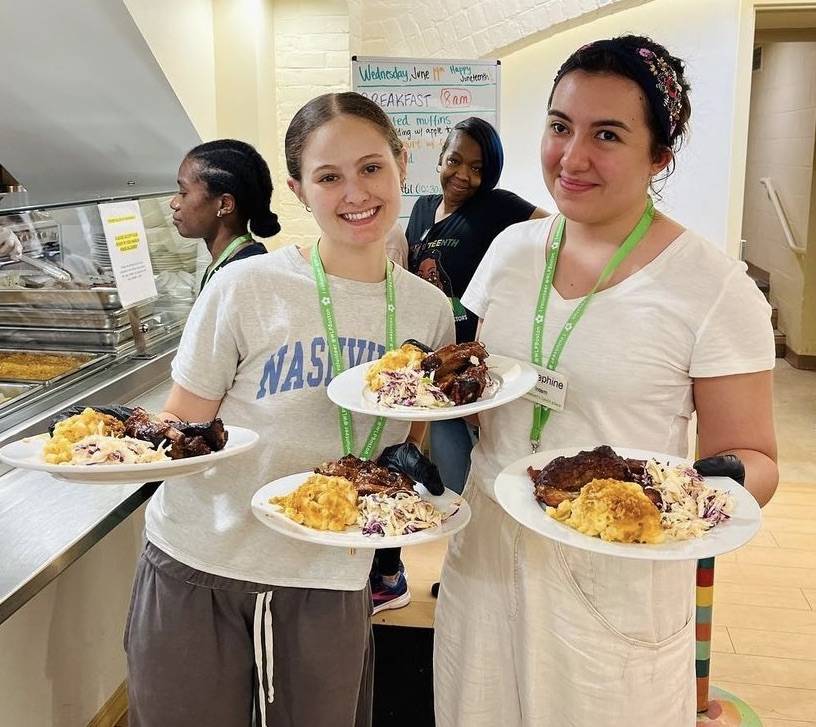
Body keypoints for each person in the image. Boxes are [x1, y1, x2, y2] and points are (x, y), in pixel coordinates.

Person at [433, 36, 778, 727]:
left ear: (660, 156)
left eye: (607, 134)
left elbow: (758, 461)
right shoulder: (510, 252)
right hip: (489, 560)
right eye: (560, 126)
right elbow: (479, 391)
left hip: (616, 574)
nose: (572, 156)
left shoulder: (711, 287)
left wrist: (687, 499)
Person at [124, 93, 454, 727]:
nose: (354, 192)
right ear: (300, 189)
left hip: (329, 576)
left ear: (401, 164)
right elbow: (186, 428)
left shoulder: (426, 312)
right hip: (203, 561)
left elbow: (401, 452)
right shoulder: (244, 287)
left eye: (370, 168)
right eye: (328, 177)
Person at [373, 118, 548, 610]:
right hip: (434, 374)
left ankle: (501, 584)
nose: (464, 175)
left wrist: (516, 305)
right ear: (440, 158)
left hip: (481, 375)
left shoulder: (499, 206)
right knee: (456, 483)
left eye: (478, 167)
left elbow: (556, 232)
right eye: (455, 161)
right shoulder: (423, 208)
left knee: (491, 475)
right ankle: (468, 577)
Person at [169, 139, 280, 290]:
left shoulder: (242, 277)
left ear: (224, 205)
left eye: (183, 193)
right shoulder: (228, 265)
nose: (174, 203)